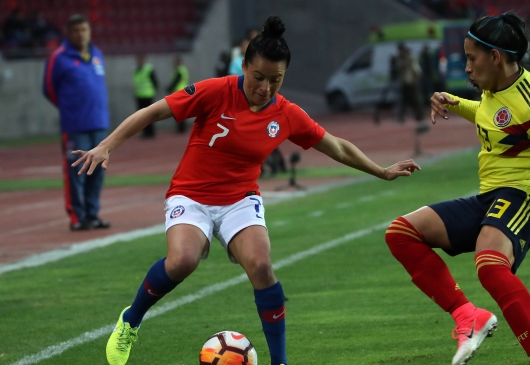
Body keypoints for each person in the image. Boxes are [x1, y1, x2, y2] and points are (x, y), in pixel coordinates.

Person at [71, 16, 420, 365]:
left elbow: (336, 146)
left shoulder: (286, 114)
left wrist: (381, 171)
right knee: (182, 261)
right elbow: (152, 111)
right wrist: (106, 146)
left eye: (276, 80)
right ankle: (130, 320)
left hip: (240, 200)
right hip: (191, 195)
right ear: (244, 66)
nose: (266, 88)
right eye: (259, 78)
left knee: (261, 266)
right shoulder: (215, 90)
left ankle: (280, 361)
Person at [384, 12, 530, 365]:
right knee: (401, 233)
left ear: (495, 57)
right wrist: (455, 103)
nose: (467, 68)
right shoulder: (494, 89)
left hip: (528, 196)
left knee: (490, 265)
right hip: (491, 195)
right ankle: (467, 316)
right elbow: (495, 119)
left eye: (471, 58)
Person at [42, 14, 111, 231]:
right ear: (68, 33)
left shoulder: (97, 54)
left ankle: (92, 214)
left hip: (99, 123)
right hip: (75, 125)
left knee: (97, 171)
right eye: (76, 30)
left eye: (84, 29)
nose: (81, 34)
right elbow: (49, 89)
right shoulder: (59, 58)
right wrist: (69, 108)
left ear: (90, 31)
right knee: (75, 173)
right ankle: (76, 216)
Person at [394, 42, 430, 138]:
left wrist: (416, 80)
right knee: (403, 101)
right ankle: (402, 116)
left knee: (416, 101)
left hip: (412, 82)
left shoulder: (410, 56)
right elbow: (399, 68)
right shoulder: (399, 57)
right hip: (405, 82)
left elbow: (416, 69)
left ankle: (420, 119)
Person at [133, 54, 159, 138]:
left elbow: (155, 81)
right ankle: (145, 133)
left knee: (149, 115)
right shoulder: (136, 70)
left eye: (141, 59)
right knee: (141, 116)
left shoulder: (148, 69)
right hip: (139, 95)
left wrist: (153, 90)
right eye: (138, 59)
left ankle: (150, 132)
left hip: (148, 95)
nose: (139, 61)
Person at [166, 55, 189, 133]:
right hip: (182, 91)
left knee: (180, 111)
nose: (173, 63)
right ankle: (181, 128)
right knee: (180, 111)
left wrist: (169, 88)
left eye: (175, 62)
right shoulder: (181, 70)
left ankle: (181, 128)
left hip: (180, 92)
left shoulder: (180, 70)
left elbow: (176, 81)